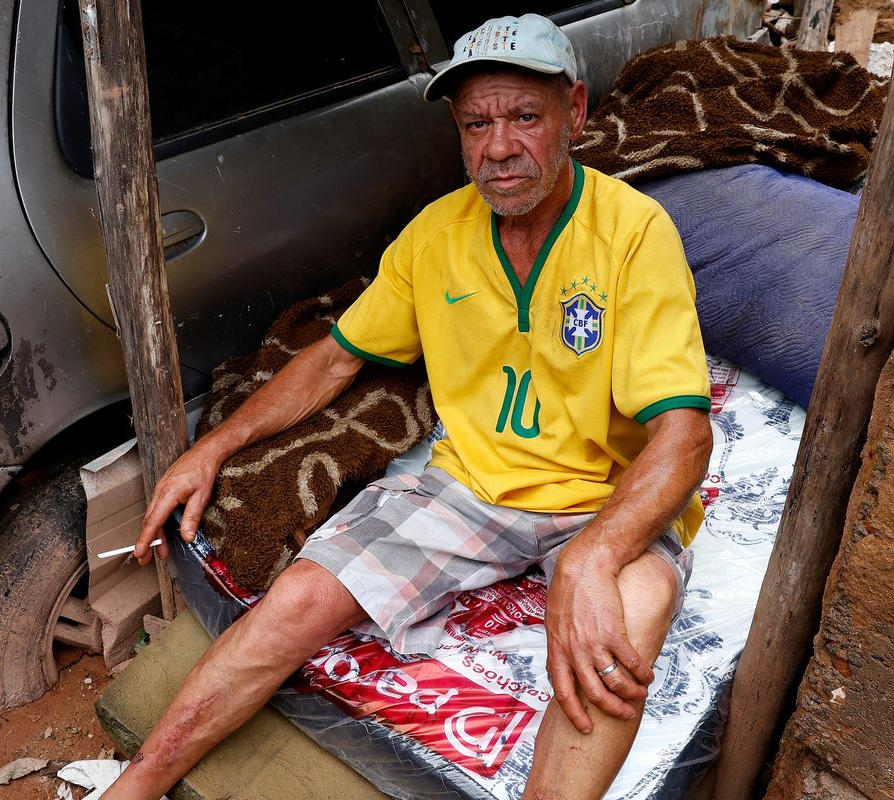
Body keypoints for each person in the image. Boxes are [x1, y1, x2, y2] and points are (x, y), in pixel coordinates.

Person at [106, 14, 712, 800]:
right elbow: (332, 360)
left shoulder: (634, 234)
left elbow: (686, 436)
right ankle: (139, 782)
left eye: (525, 116)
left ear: (577, 113)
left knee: (628, 618)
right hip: (470, 489)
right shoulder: (435, 237)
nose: (498, 148)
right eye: (477, 124)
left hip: (607, 500)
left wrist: (596, 556)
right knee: (296, 602)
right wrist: (212, 446)